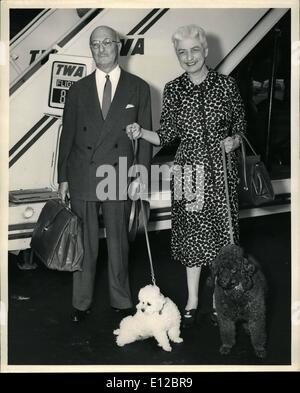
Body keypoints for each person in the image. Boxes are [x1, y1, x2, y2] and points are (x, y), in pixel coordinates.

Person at [126, 25, 246, 327]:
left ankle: (221, 299)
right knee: (193, 234)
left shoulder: (226, 85)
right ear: (177, 55)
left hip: (220, 169)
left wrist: (234, 140)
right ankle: (192, 298)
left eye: (194, 50)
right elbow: (166, 134)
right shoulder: (173, 88)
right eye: (182, 52)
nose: (189, 57)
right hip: (188, 170)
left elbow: (241, 125)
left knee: (222, 236)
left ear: (205, 50)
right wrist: (142, 132)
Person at [57, 25, 152, 322]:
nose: (101, 49)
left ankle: (121, 300)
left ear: (118, 46)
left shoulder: (138, 87)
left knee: (118, 242)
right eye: (95, 44)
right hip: (83, 172)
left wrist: (141, 176)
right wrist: (63, 177)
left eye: (107, 43)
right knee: (84, 244)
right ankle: (81, 303)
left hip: (119, 173)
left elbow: (145, 137)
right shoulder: (77, 89)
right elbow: (68, 136)